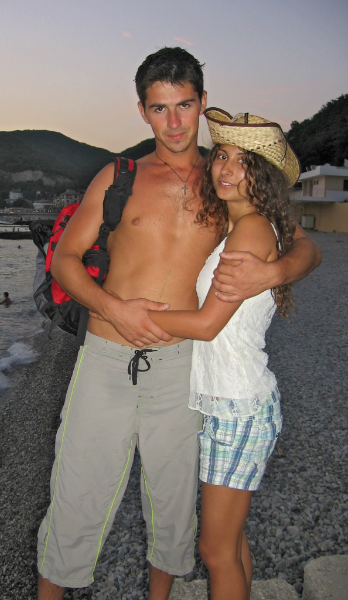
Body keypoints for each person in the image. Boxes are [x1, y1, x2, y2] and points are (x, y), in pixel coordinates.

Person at [37, 47, 321, 600]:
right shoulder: (119, 176)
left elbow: (304, 245)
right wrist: (114, 308)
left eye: (184, 105)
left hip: (180, 369)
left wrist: (275, 272)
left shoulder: (226, 182)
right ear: (142, 111)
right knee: (74, 498)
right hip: (104, 360)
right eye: (159, 108)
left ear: (202, 102)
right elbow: (65, 259)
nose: (173, 123)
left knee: (171, 509)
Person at [147, 107, 300, 599]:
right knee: (230, 541)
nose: (226, 169)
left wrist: (134, 314)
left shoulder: (252, 229)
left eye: (243, 162)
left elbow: (207, 325)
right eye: (222, 156)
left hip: (238, 408)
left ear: (262, 177)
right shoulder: (244, 227)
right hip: (230, 404)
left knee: (215, 551)